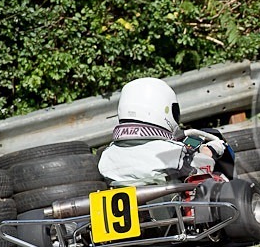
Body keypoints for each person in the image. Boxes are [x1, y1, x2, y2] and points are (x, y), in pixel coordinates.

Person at [98, 77, 234, 186]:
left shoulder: (106, 156)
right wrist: (209, 152)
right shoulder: (172, 153)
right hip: (172, 214)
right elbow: (199, 173)